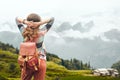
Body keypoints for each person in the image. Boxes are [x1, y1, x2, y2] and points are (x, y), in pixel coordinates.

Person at [15, 13, 54, 80]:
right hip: (40, 62)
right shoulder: (42, 32)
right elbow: (52, 19)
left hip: (28, 62)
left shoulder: (24, 32)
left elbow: (16, 19)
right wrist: (40, 23)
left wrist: (25, 22)